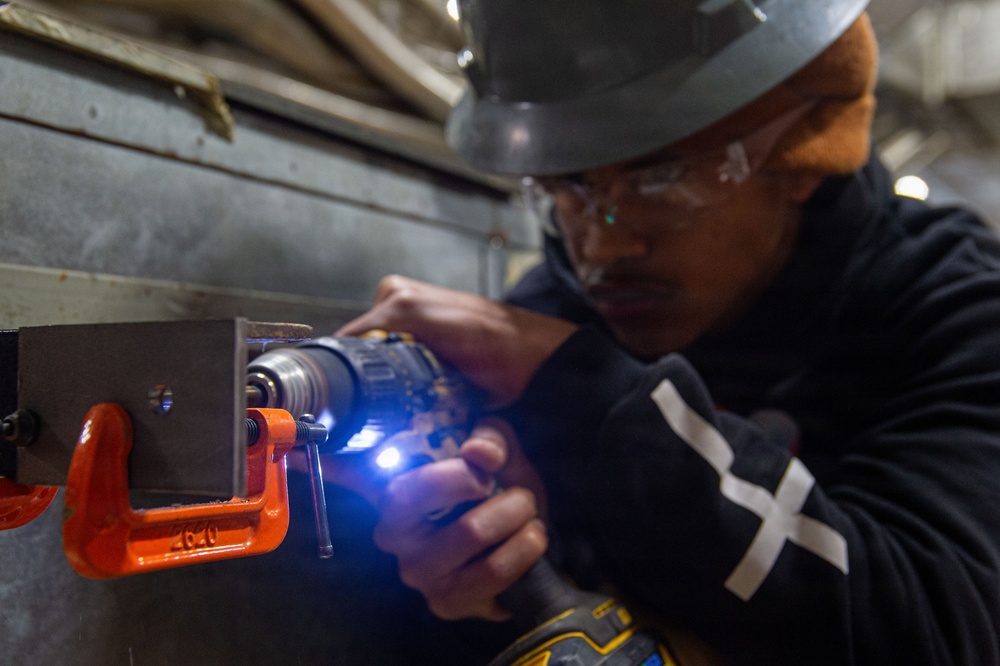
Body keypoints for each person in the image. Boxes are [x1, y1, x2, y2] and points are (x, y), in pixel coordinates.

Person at [332, 1, 1000, 663]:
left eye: (662, 176)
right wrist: (493, 575)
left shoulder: (953, 307)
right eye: (567, 185)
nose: (602, 247)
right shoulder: (551, 320)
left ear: (805, 148)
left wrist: (600, 396)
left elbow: (942, 631)